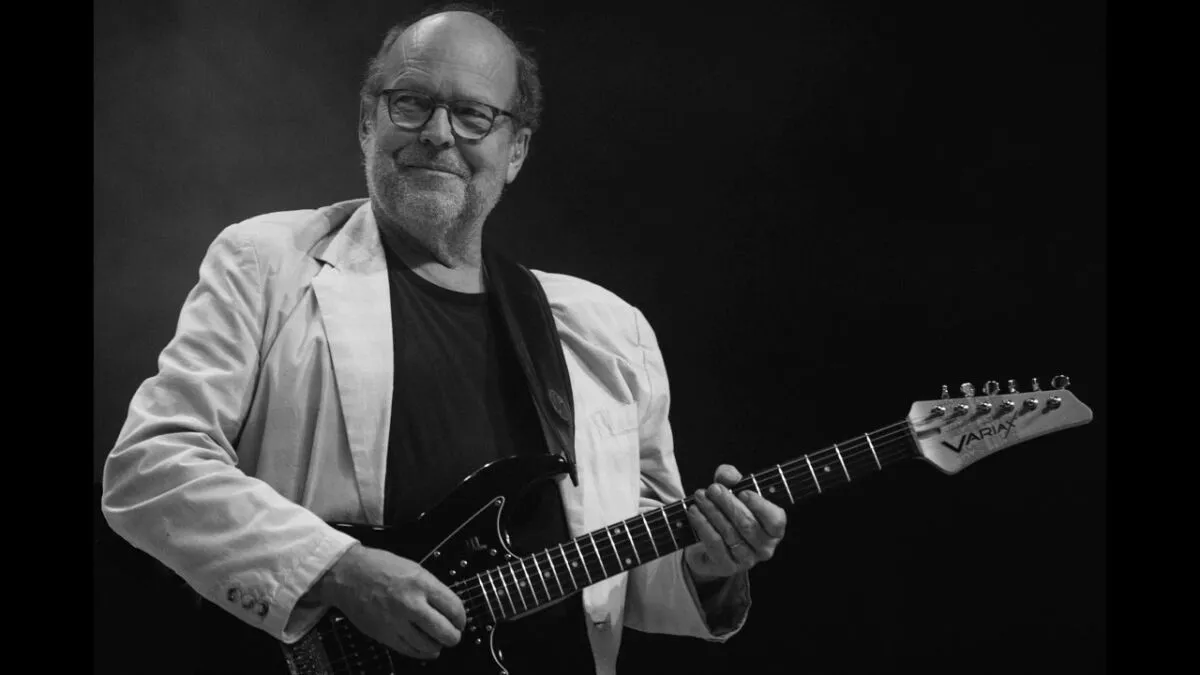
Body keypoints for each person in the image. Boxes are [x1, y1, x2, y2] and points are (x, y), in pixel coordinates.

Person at [100, 4, 788, 674]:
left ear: (515, 150)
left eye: (473, 114)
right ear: (367, 123)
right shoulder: (266, 263)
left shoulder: (609, 331)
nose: (437, 132)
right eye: (410, 103)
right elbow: (151, 467)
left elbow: (624, 574)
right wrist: (336, 569)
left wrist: (708, 562)